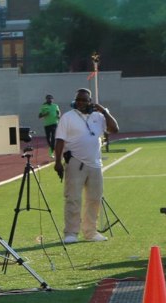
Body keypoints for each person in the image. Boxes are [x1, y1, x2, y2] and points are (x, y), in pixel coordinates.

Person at [53, 88, 120, 244]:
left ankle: (91, 232)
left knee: (94, 199)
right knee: (73, 198)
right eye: (78, 100)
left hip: (95, 164)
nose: (80, 102)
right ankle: (71, 233)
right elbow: (60, 140)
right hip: (75, 162)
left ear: (90, 102)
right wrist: (57, 162)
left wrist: (104, 111)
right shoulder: (68, 117)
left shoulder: (99, 116)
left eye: (84, 100)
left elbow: (114, 129)